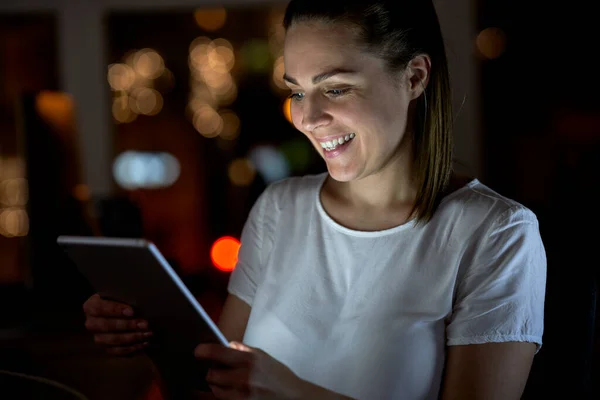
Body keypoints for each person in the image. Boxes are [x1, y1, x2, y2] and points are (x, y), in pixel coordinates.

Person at [82, 0, 547, 398]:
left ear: (415, 78)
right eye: (298, 91)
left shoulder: (496, 233)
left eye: (336, 88)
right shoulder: (278, 209)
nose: (308, 117)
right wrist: (148, 335)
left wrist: (291, 393)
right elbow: (214, 384)